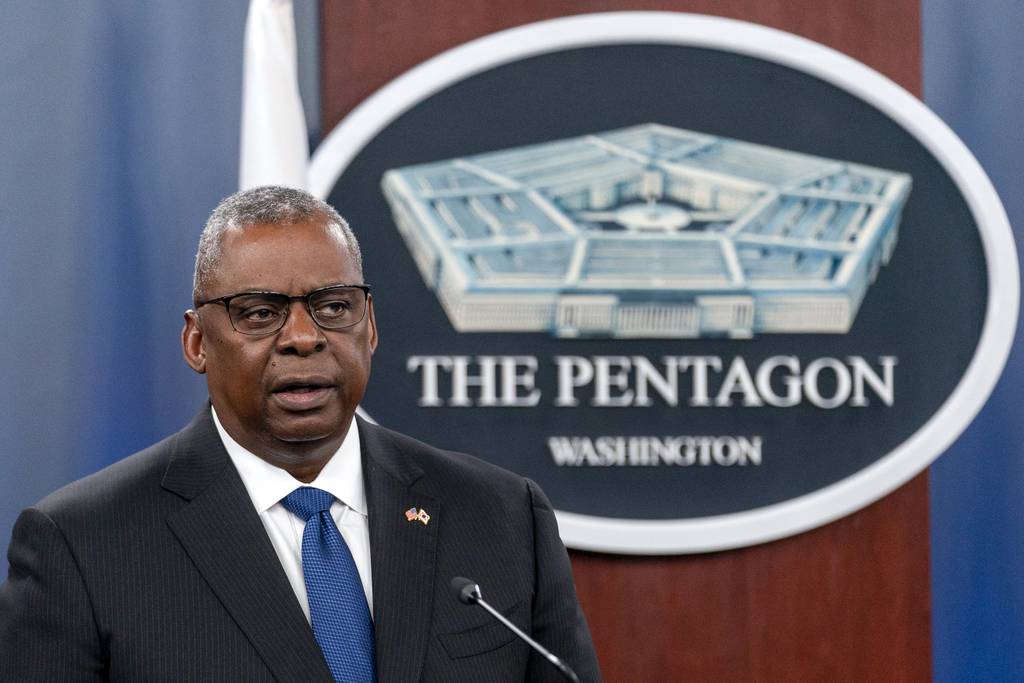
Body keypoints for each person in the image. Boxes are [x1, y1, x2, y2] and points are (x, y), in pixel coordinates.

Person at [0, 186, 601, 682]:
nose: (303, 337)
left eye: (333, 307)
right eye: (258, 313)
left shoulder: (501, 516)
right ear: (196, 342)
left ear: (370, 327)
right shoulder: (82, 545)